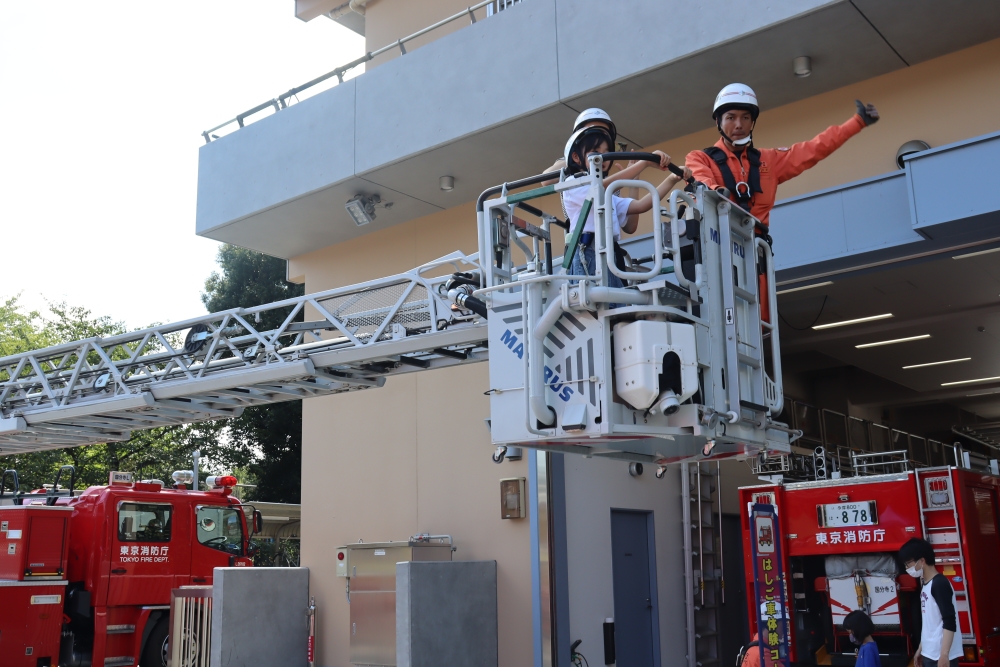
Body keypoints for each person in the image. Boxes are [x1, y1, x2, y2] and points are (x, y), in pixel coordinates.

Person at [685, 84, 879, 321]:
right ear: (718, 121)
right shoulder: (699, 158)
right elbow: (701, 181)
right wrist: (717, 191)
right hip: (718, 250)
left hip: (755, 256)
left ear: (752, 122)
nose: (738, 124)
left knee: (757, 327)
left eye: (746, 117)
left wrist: (856, 122)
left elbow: (814, 149)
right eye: (731, 117)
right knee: (718, 322)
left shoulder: (769, 160)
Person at [561, 125, 689, 286]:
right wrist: (645, 163)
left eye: (605, 152)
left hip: (609, 256)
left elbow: (641, 205)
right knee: (595, 306)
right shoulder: (573, 183)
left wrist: (671, 179)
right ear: (576, 156)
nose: (602, 157)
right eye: (595, 151)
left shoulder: (607, 195)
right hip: (586, 254)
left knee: (615, 306)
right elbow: (599, 187)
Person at [899, 537, 963, 667]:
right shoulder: (926, 584)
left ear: (922, 561)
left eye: (908, 563)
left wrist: (944, 655)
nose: (907, 568)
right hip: (930, 653)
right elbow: (930, 624)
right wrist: (921, 649)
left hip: (939, 656)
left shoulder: (939, 584)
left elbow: (949, 621)